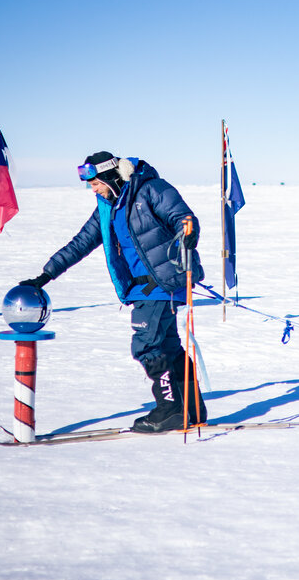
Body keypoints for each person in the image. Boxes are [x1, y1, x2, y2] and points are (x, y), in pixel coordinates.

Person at [19, 151, 207, 432]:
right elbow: (81, 243)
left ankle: (169, 410)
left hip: (163, 282)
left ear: (111, 177)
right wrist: (45, 275)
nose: (93, 190)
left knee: (148, 346)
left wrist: (187, 232)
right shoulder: (108, 207)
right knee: (167, 347)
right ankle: (191, 409)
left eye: (96, 183)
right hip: (141, 288)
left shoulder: (151, 189)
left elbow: (183, 216)